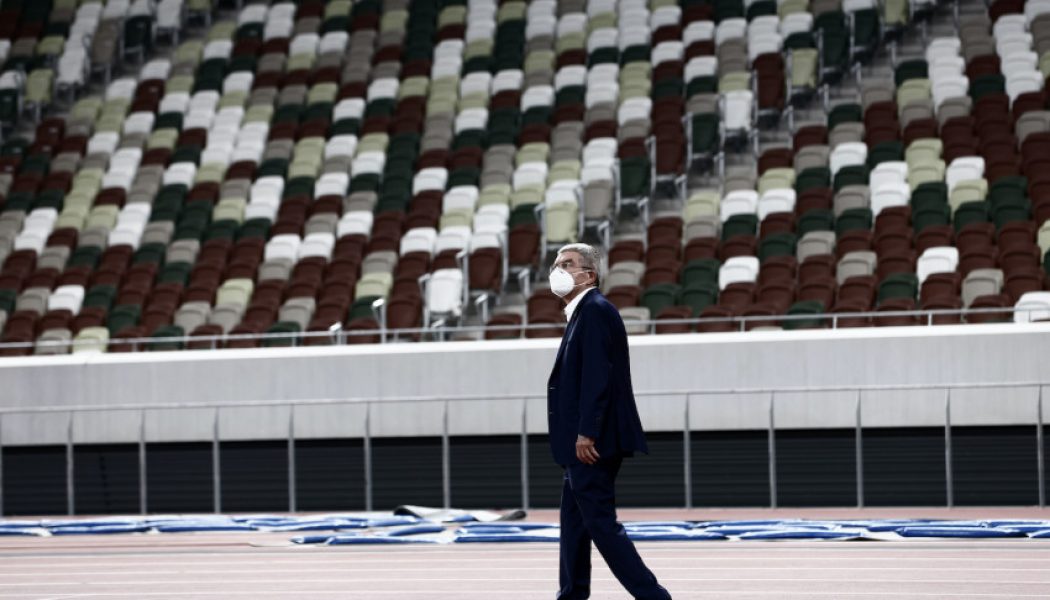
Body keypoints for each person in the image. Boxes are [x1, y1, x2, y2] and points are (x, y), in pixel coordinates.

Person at [545, 243, 672, 600]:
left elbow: (598, 377)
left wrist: (588, 431)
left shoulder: (596, 311)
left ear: (589, 274)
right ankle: (571, 594)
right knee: (573, 525)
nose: (558, 270)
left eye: (567, 264)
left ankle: (653, 596)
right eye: (556, 264)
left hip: (591, 441)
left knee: (600, 524)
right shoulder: (581, 314)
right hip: (580, 441)